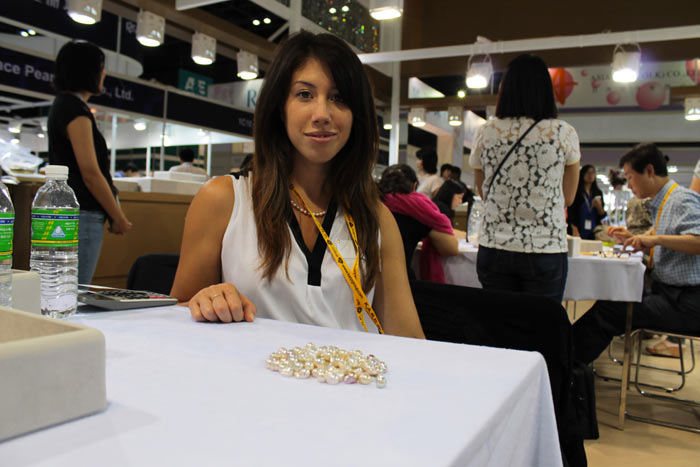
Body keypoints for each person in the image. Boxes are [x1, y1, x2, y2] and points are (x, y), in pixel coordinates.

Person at [170, 32, 424, 338]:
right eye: (305, 94)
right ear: (280, 106)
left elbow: (408, 340)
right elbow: (179, 312)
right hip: (251, 380)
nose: (322, 115)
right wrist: (208, 301)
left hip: (350, 382)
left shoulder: (377, 218)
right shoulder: (223, 199)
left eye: (339, 98)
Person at [573, 143, 700, 364]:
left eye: (630, 178)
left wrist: (655, 239)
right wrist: (634, 237)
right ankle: (567, 363)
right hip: (669, 294)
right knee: (612, 299)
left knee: (611, 310)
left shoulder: (681, 199)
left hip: (685, 302)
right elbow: (665, 239)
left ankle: (566, 366)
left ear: (649, 171)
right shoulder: (664, 202)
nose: (629, 185)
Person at [469, 53, 580, 302]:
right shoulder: (562, 133)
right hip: (545, 249)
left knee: (498, 331)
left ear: (505, 90)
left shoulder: (487, 132)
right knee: (540, 331)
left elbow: (483, 191)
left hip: (494, 247)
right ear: (546, 91)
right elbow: (569, 197)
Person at [48, 40, 132, 285]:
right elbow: (90, 173)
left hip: (71, 212)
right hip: (82, 214)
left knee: (62, 285)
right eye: (101, 67)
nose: (104, 73)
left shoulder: (64, 106)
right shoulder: (75, 110)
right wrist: (118, 216)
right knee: (74, 287)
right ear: (88, 70)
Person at [378, 164, 459, 282]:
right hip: (401, 281)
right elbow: (451, 248)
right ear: (414, 186)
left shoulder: (371, 206)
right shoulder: (415, 213)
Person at [568, 165, 605, 239]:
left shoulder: (597, 193)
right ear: (582, 174)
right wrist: (574, 229)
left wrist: (599, 207)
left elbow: (602, 215)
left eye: (592, 173)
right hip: (579, 227)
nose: (590, 175)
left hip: (593, 229)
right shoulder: (577, 192)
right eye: (588, 173)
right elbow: (571, 212)